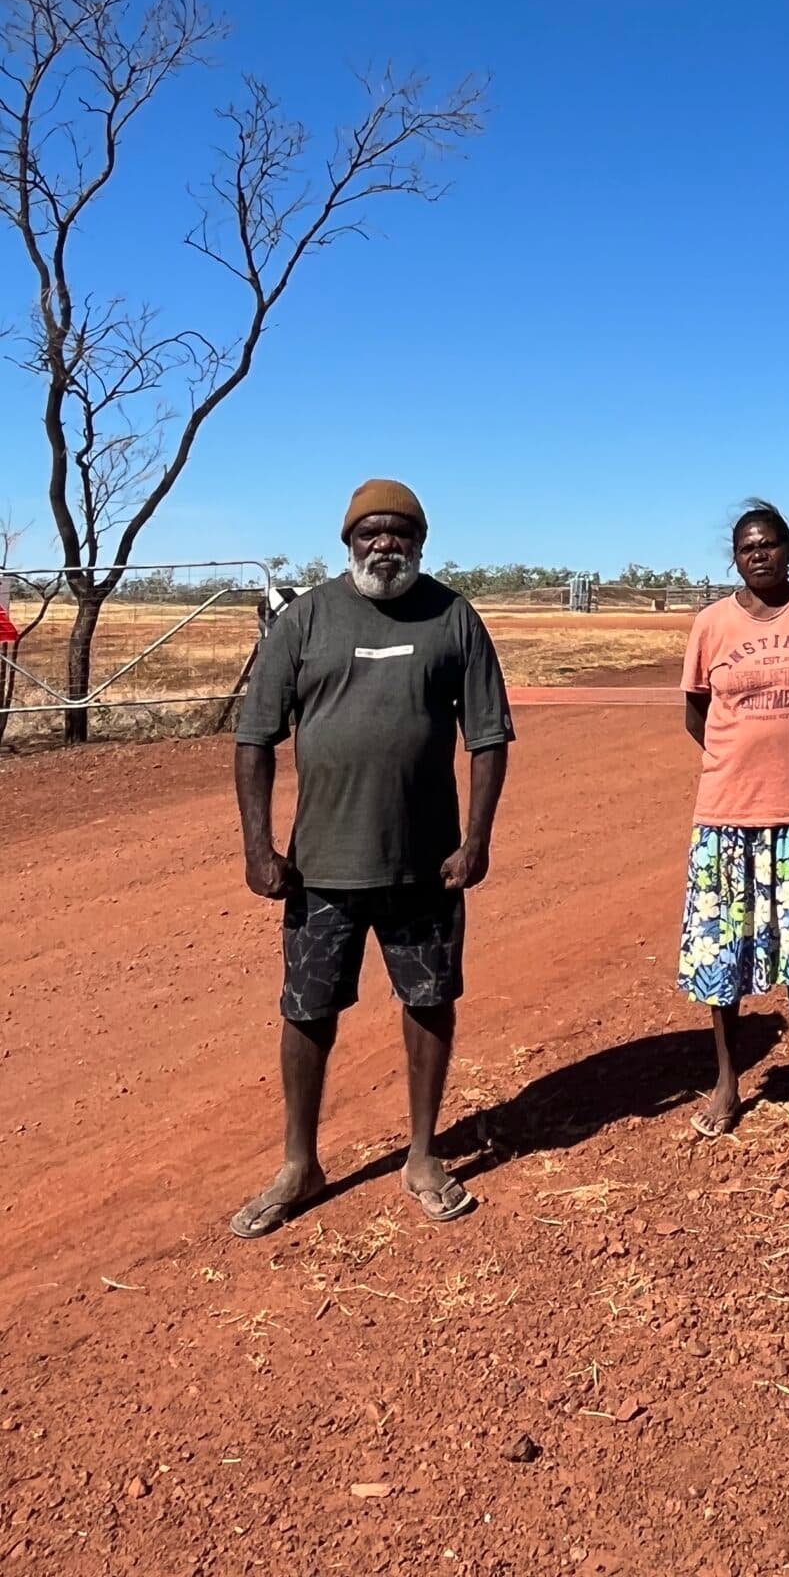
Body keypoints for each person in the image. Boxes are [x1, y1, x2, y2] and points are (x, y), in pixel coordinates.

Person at [229, 480, 512, 1238]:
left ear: (420, 541)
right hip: (320, 867)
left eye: (400, 533)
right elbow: (254, 736)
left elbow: (487, 738)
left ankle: (422, 1155)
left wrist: (476, 839)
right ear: (348, 540)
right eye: (371, 533)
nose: (385, 545)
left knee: (427, 1000)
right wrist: (258, 846)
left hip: (425, 866)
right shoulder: (306, 618)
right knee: (307, 1010)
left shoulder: (453, 617)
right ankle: (299, 1162)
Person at [679, 503, 789, 1138]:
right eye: (748, 547)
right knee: (721, 950)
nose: (760, 555)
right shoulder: (711, 624)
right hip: (726, 812)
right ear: (735, 556)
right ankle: (728, 1082)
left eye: (770, 544)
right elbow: (695, 711)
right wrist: (736, 758)